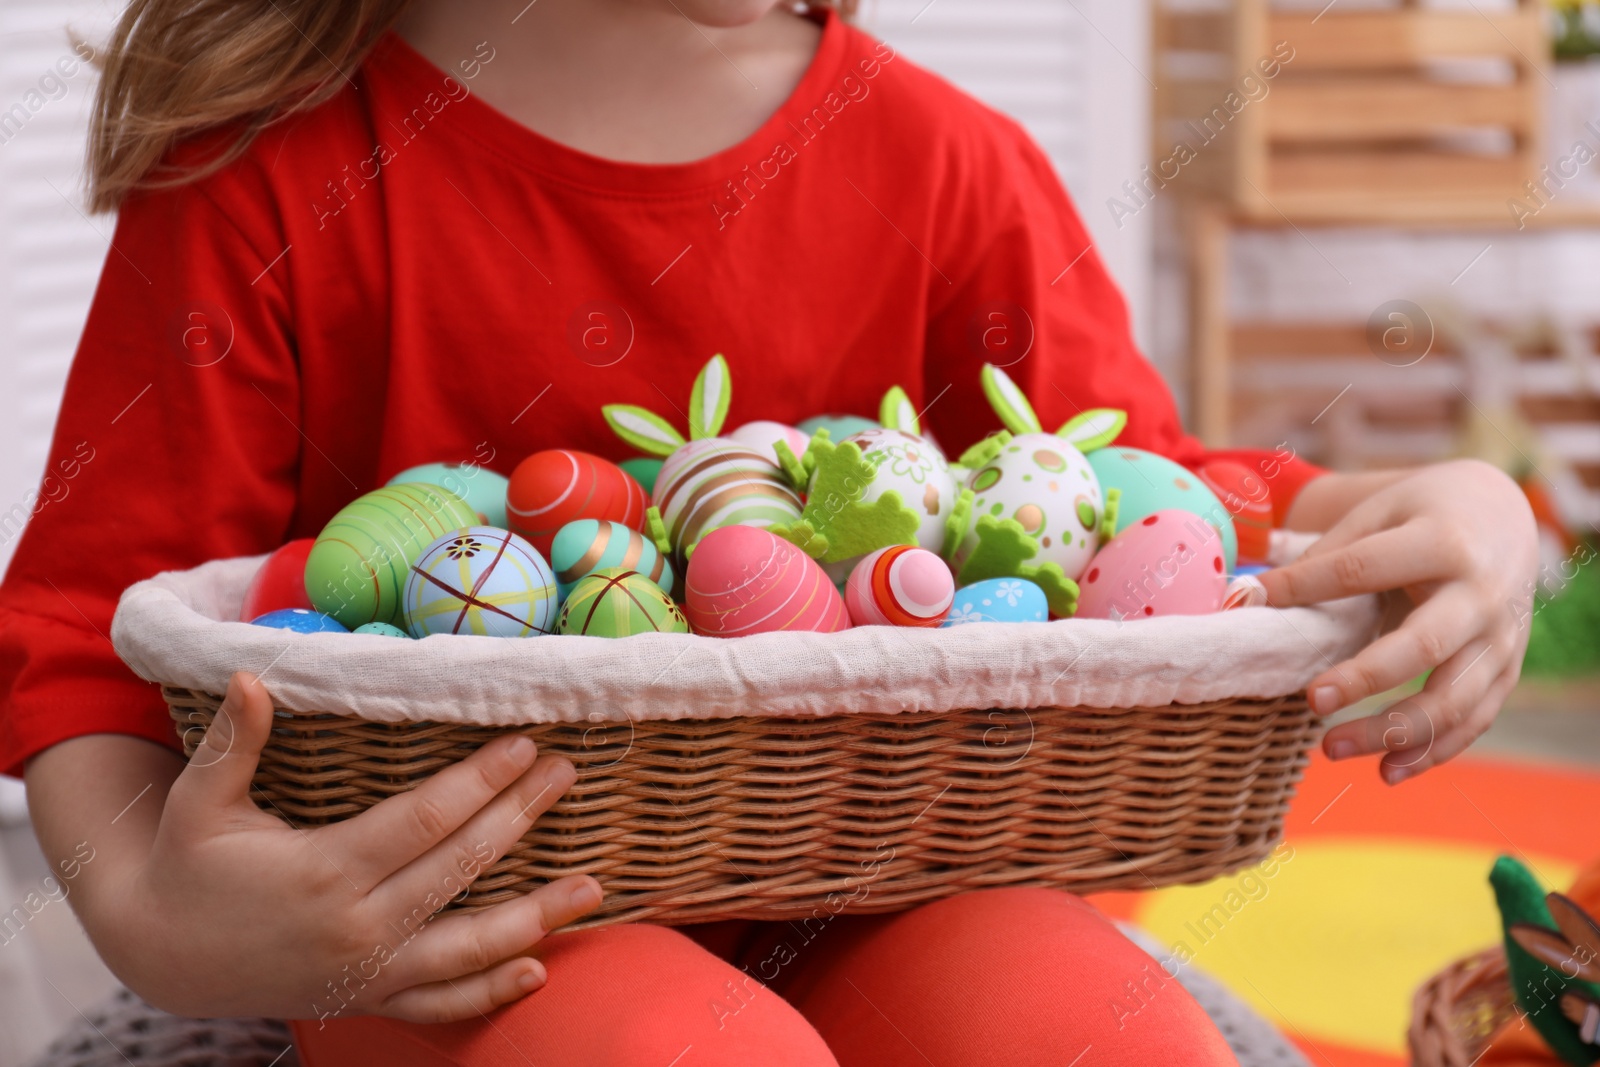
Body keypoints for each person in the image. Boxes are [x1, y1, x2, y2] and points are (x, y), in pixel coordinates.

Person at [3, 0, 1537, 1063]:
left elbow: (1136, 496)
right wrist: (151, 919)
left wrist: (1440, 513)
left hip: (901, 865)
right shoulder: (269, 173)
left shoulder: (943, 162)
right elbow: (85, 634)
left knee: (1105, 1039)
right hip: (462, 905)